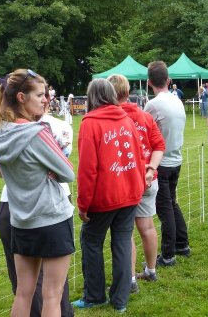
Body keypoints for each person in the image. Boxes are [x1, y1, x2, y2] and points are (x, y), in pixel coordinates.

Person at [0, 69, 75, 317]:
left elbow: (1, 171)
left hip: (21, 220)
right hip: (52, 219)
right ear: (21, 97)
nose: (45, 99)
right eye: (39, 95)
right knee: (52, 294)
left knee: (24, 293)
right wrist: (48, 170)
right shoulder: (38, 132)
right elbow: (68, 172)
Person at [73, 78, 145, 313]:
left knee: (91, 241)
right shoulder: (126, 119)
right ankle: (120, 299)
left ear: (91, 96)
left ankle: (95, 295)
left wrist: (83, 204)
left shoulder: (90, 124)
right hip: (129, 193)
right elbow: (139, 156)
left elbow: (87, 169)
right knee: (122, 242)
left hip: (105, 197)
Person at [107, 75, 165, 292]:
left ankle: (130, 278)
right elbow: (159, 145)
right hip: (149, 180)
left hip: (125, 181)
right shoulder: (144, 116)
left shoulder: (112, 118)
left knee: (125, 231)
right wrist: (152, 168)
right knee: (147, 226)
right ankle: (151, 270)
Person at [145, 61, 191, 267]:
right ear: (169, 80)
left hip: (161, 162)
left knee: (165, 209)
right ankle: (182, 245)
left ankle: (168, 254)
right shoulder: (177, 100)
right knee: (171, 203)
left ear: (148, 82)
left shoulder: (153, 105)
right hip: (176, 159)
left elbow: (146, 132)